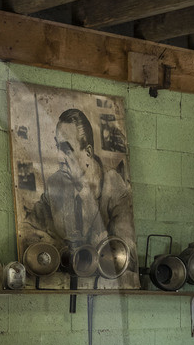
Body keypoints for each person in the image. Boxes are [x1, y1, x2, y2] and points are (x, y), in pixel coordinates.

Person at [20, 108, 134, 260]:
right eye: (58, 147)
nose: (59, 158)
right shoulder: (55, 184)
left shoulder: (113, 187)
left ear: (88, 152)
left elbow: (128, 255)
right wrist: (58, 247)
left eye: (67, 150)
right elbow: (25, 230)